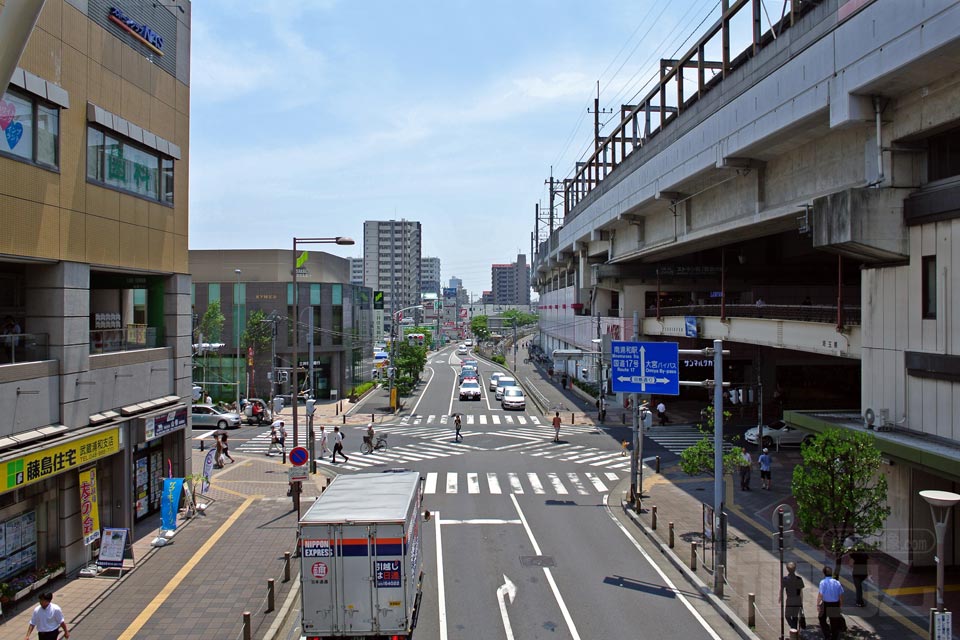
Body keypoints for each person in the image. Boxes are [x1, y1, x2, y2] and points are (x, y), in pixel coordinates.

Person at [817, 566, 845, 640]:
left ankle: (827, 635)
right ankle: (834, 637)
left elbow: (820, 595)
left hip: (826, 604)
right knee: (834, 622)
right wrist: (840, 605)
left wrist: (818, 604)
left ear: (824, 573)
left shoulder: (823, 582)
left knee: (821, 618)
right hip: (835, 604)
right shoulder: (837, 582)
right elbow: (840, 595)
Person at [780, 561, 805, 632]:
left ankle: (793, 628)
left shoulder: (785, 579)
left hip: (790, 599)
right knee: (795, 616)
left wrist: (780, 597)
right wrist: (801, 602)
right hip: (797, 599)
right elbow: (801, 592)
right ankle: (794, 629)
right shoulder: (799, 579)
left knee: (787, 615)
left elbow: (782, 589)